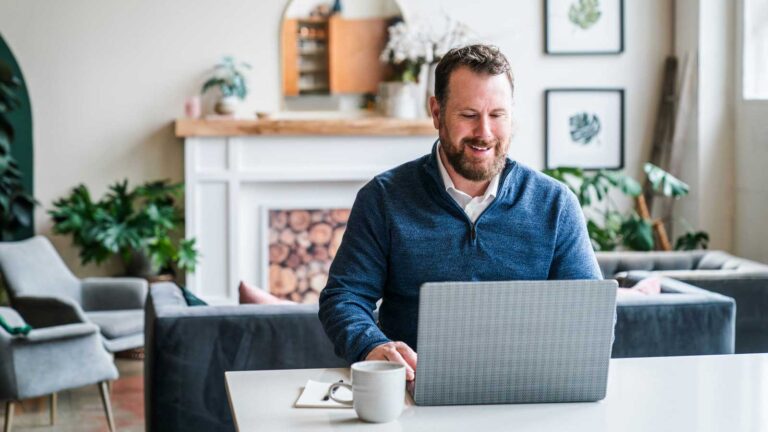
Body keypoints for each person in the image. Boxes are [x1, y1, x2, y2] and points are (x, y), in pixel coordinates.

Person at [316, 44, 602, 381]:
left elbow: (589, 314)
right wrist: (373, 347)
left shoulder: (555, 204)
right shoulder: (383, 198)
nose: (484, 132)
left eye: (497, 115)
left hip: (527, 394)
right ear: (437, 112)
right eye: (468, 115)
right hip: (414, 390)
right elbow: (344, 296)